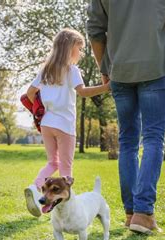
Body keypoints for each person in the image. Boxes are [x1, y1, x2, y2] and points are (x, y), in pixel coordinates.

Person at [87, 0, 165, 234]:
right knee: (153, 137)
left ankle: (131, 213)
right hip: (156, 66)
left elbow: (95, 29)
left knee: (128, 142)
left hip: (119, 69)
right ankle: (143, 213)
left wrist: (105, 69)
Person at [24, 28, 110, 217]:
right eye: (79, 49)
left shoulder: (45, 69)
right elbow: (83, 92)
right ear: (71, 48)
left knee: (51, 162)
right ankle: (67, 210)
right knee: (65, 168)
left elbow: (30, 94)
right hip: (64, 125)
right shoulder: (72, 70)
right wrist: (106, 87)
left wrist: (40, 110)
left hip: (47, 123)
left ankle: (35, 186)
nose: (80, 53)